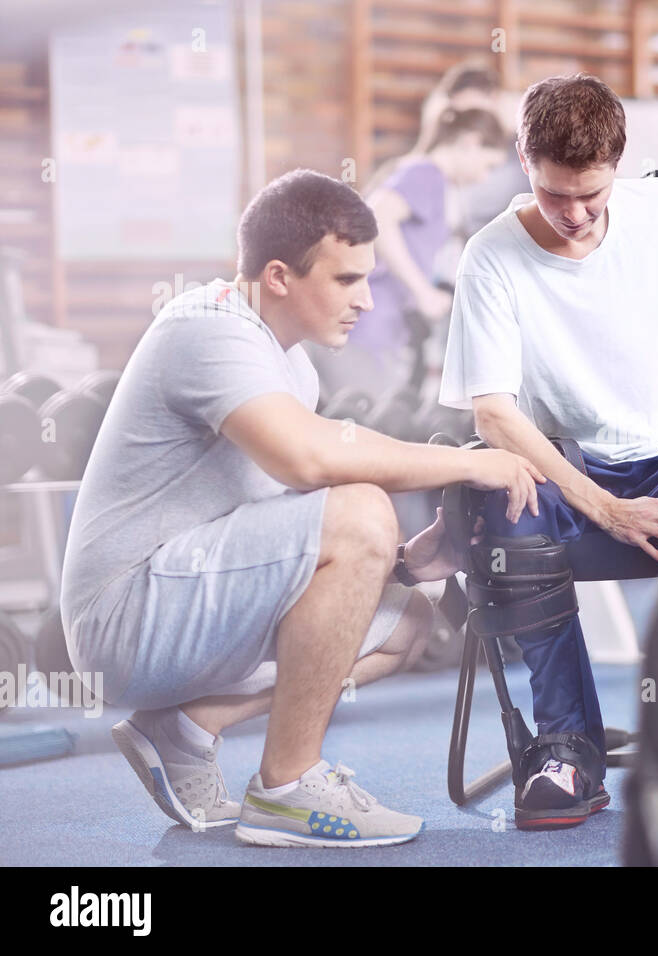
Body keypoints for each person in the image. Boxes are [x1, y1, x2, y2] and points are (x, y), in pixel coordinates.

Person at [61, 169, 542, 848]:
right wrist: (470, 461)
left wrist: (403, 565)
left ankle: (188, 724)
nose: (368, 302)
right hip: (126, 616)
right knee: (363, 508)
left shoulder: (293, 366)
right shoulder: (208, 329)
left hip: (189, 601)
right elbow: (308, 463)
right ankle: (288, 787)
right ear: (280, 276)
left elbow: (300, 546)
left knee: (407, 620)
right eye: (348, 280)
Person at [439, 73, 658, 831]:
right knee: (511, 505)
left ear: (619, 164)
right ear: (523, 159)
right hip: (564, 476)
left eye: (592, 195)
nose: (575, 215)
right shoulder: (492, 257)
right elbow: (493, 412)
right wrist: (605, 505)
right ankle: (564, 745)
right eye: (554, 195)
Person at [310, 108, 509, 404]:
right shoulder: (426, 174)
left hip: (381, 329)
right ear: (470, 142)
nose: (485, 177)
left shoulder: (437, 185)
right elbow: (377, 214)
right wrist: (423, 291)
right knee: (372, 428)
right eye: (488, 165)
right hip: (364, 330)